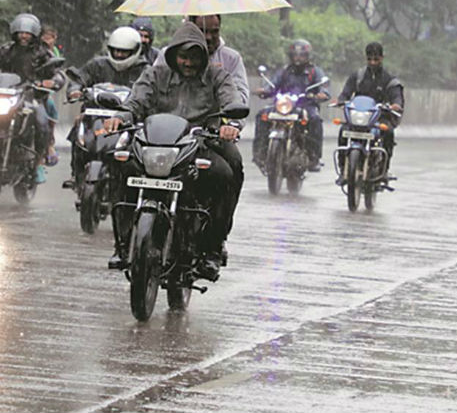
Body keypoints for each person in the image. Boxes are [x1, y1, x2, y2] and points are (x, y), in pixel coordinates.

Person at [104, 22, 244, 281]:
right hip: (154, 144)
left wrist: (231, 124)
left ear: (204, 55)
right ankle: (122, 245)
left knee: (228, 172)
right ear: (172, 55)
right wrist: (121, 116)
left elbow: (232, 100)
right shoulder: (154, 74)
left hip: (201, 144)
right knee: (119, 164)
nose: (188, 62)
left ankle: (212, 248)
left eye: (194, 56)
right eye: (183, 56)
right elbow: (135, 101)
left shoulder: (218, 75)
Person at [0, 13, 64, 184]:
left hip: (30, 95)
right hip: (4, 93)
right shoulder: (7, 49)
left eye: (27, 33)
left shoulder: (42, 52)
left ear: (34, 34)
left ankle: (38, 162)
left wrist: (52, 81)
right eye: (20, 32)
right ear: (14, 33)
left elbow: (57, 73)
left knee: (42, 122)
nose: (24, 36)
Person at [62, 26, 148, 189]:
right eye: (116, 51)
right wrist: (74, 90)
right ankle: (76, 172)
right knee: (78, 126)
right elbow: (79, 79)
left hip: (128, 121)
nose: (119, 55)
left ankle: (134, 179)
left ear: (136, 51)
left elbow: (150, 92)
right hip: (94, 114)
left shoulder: (145, 70)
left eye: (124, 52)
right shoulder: (97, 65)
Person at [253, 39, 330, 171]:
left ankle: (314, 157)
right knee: (262, 115)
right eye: (295, 55)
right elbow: (272, 83)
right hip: (284, 105)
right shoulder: (284, 71)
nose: (298, 58)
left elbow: (323, 87)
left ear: (308, 56)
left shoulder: (314, 72)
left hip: (306, 105)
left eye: (302, 55)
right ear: (291, 56)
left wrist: (321, 94)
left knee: (315, 120)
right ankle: (260, 152)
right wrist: (264, 90)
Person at [336, 41, 404, 176]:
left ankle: (384, 169)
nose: (372, 62)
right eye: (369, 59)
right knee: (343, 130)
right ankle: (343, 167)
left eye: (376, 59)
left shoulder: (389, 79)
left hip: (380, 117)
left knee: (388, 133)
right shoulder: (357, 76)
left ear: (382, 58)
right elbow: (346, 92)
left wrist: (396, 104)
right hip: (359, 117)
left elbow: (397, 96)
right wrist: (341, 100)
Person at [40, 24, 62, 166]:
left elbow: (57, 72)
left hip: (39, 90)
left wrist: (51, 82)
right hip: (17, 89)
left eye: (50, 38)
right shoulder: (30, 50)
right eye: (44, 37)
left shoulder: (53, 53)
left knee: (50, 109)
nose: (47, 41)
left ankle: (48, 144)